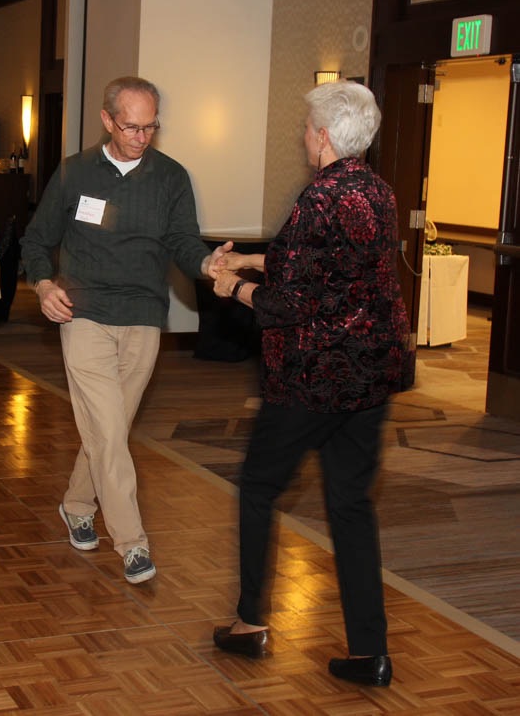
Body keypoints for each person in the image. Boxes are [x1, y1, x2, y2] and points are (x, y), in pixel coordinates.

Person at [210, 81, 411, 688]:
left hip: (312, 379)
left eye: (305, 128)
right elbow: (325, 267)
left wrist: (234, 287)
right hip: (371, 377)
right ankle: (369, 651)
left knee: (257, 488)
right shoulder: (377, 191)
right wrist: (249, 258)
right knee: (351, 505)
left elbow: (286, 304)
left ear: (323, 137)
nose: (303, 136)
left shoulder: (317, 199)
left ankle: (249, 624)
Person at [20, 76, 227, 585]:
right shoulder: (74, 173)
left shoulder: (170, 177)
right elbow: (36, 239)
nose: (142, 135)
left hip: (143, 319)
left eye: (151, 126)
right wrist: (44, 286)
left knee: (105, 431)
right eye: (132, 126)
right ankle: (133, 543)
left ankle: (75, 504)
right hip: (83, 313)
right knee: (110, 433)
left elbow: (183, 241)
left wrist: (207, 266)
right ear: (108, 120)